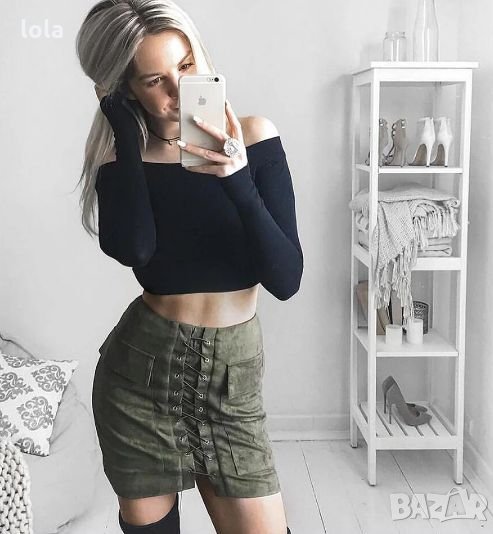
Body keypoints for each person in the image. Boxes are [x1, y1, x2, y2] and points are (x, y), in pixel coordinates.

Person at [76, 1, 303, 533]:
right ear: (125, 88)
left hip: (231, 385)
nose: (178, 90)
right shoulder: (120, 164)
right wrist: (123, 132)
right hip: (138, 382)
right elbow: (137, 251)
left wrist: (236, 177)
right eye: (155, 80)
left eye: (185, 65)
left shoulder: (255, 136)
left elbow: (286, 279)